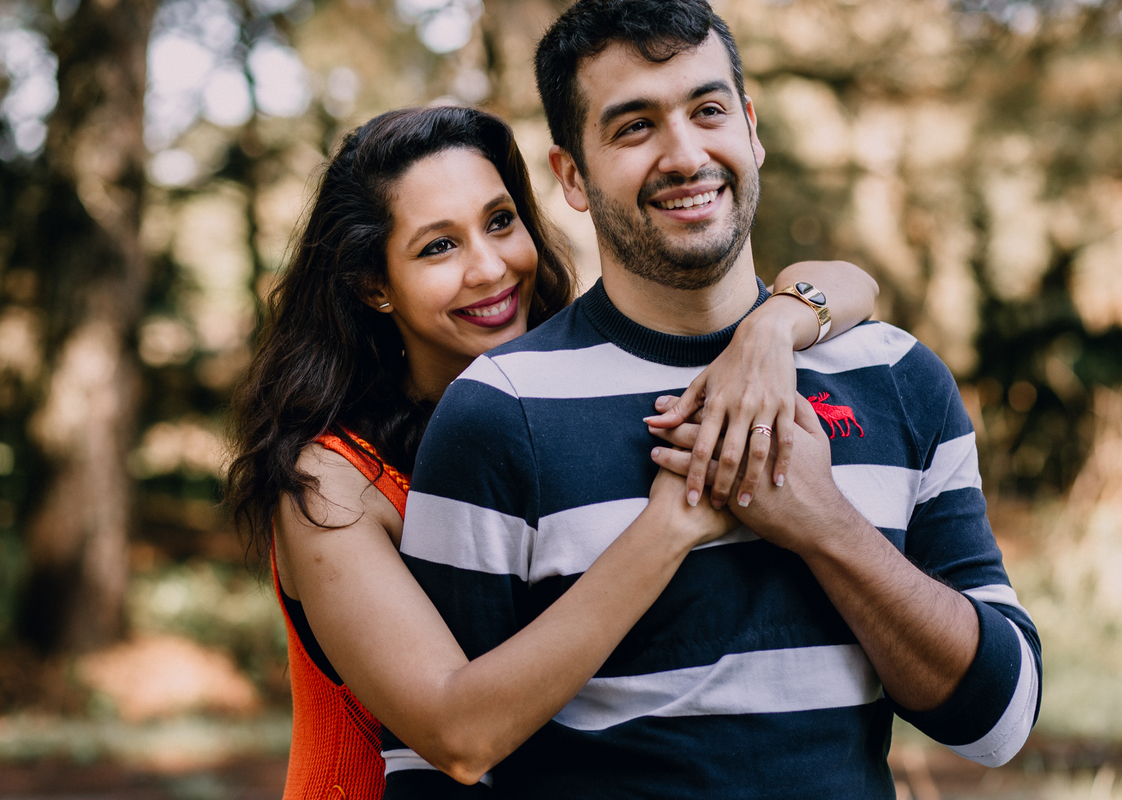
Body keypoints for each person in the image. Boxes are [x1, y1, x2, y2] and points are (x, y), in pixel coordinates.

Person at [395, 1, 1043, 797]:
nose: (684, 154)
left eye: (708, 110)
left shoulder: (897, 376)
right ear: (571, 175)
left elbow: (1000, 722)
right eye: (633, 127)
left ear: (751, 127)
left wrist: (825, 525)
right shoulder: (499, 412)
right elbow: (428, 769)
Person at [225, 105, 878, 799]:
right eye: (438, 247)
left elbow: (854, 283)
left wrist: (772, 327)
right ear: (373, 285)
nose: (490, 267)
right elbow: (458, 738)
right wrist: (674, 520)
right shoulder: (332, 483)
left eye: (500, 221)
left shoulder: (566, 396)